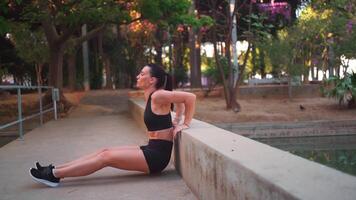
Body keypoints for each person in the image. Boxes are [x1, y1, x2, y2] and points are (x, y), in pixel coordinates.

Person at [29, 63, 196, 187]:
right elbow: (179, 101)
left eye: (142, 74)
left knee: (106, 158)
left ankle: (54, 175)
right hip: (151, 147)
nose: (138, 76)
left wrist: (185, 124)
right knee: (105, 151)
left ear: (152, 80)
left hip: (157, 157)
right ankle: (54, 169)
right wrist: (176, 119)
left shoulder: (158, 95)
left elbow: (190, 98)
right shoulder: (153, 95)